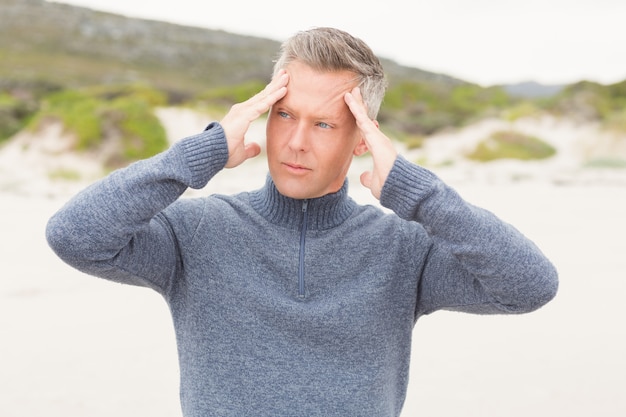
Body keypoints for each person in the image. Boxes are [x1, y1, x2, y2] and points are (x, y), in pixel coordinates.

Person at [46, 27, 558, 417]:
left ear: (362, 140)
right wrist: (198, 154)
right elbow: (74, 236)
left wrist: (419, 193)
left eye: (324, 124)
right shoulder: (195, 233)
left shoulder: (404, 249)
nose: (295, 142)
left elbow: (530, 286)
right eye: (285, 115)